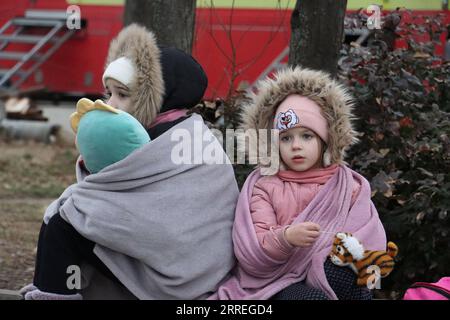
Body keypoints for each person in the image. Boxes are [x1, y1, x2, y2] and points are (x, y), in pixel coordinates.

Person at [21, 24, 239, 300]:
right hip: (179, 267)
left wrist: (87, 202)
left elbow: (163, 222)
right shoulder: (184, 131)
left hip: (181, 277)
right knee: (71, 214)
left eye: (123, 95)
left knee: (64, 222)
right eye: (108, 93)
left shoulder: (181, 139)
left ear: (157, 98)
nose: (110, 104)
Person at [210, 67, 387, 300]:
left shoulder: (346, 185)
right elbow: (252, 252)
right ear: (274, 144)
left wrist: (337, 250)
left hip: (325, 270)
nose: (296, 146)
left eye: (307, 136)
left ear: (325, 140)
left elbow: (368, 237)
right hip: (275, 282)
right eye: (286, 138)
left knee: (351, 277)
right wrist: (286, 238)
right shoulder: (264, 186)